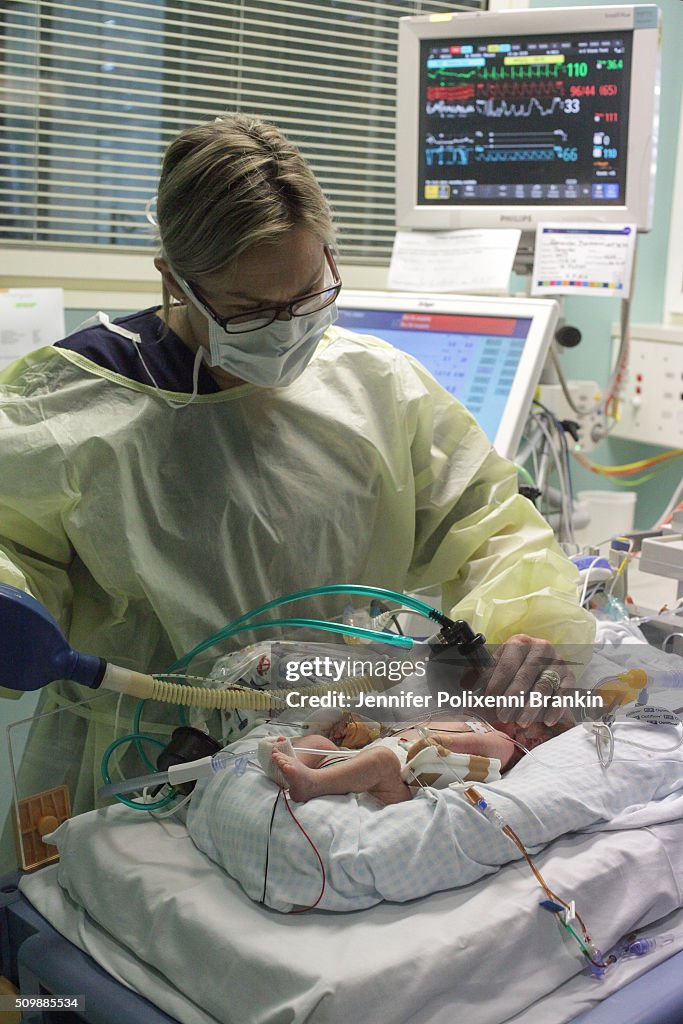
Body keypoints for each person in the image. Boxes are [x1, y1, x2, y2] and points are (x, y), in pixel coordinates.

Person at [0, 112, 594, 869]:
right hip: (141, 766)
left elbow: (487, 515)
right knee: (105, 960)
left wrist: (524, 625)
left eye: (307, 294)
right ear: (173, 278)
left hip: (339, 746)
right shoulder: (70, 407)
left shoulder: (374, 384)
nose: (285, 330)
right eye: (249, 311)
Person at [264, 716, 568, 804]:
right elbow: (399, 729)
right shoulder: (472, 716)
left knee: (381, 761)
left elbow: (491, 750)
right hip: (370, 753)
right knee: (320, 743)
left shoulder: (504, 741)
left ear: (533, 740)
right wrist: (361, 730)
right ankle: (291, 761)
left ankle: (312, 784)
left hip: (398, 781)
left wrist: (447, 741)